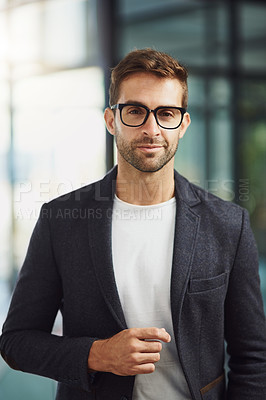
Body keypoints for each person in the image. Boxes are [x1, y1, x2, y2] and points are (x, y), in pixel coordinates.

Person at [1, 48, 266, 400]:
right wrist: (96, 354)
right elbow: (17, 341)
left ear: (183, 125)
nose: (151, 128)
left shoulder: (228, 225)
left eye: (166, 113)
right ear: (112, 120)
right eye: (136, 111)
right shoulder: (60, 220)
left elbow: (253, 357)